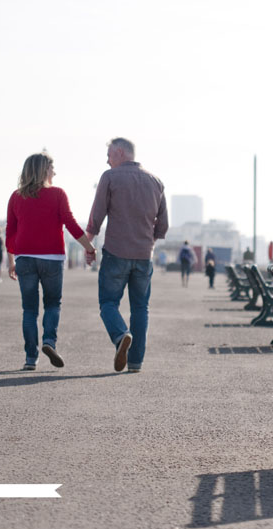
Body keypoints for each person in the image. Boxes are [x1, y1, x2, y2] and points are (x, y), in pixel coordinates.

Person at [6, 152, 96, 371]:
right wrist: (89, 247)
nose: (54, 172)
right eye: (52, 168)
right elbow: (71, 224)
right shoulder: (57, 194)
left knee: (29, 310)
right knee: (53, 304)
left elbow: (10, 232)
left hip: (24, 258)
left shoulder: (16, 197)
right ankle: (49, 341)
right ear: (44, 169)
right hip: (52, 259)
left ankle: (30, 358)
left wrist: (11, 261)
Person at [86, 137, 168, 373]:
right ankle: (135, 363)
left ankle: (121, 335)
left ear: (120, 152)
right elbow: (162, 226)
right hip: (144, 257)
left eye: (110, 155)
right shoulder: (156, 181)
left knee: (108, 303)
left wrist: (87, 246)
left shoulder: (110, 177)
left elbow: (96, 217)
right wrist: (146, 244)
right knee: (140, 308)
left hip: (116, 253)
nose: (107, 160)